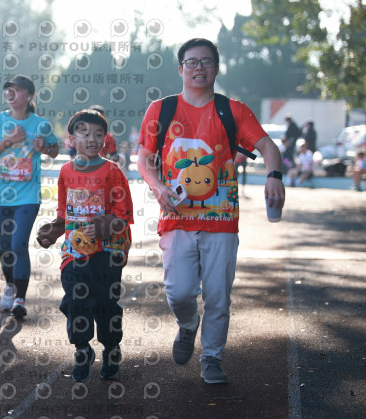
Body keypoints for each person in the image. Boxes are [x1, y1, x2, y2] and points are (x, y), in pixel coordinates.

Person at [136, 38, 285, 384]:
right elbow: (144, 159)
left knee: (218, 297)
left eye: (206, 62)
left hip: (222, 219)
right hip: (176, 217)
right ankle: (188, 325)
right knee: (179, 292)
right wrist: (157, 187)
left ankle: (212, 358)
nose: (199, 67)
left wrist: (274, 176)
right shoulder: (161, 110)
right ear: (181, 69)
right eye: (192, 62)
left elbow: (268, 147)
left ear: (216, 69)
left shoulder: (233, 110)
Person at [36, 109, 134, 382]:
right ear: (71, 139)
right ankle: (82, 349)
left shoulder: (112, 171)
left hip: (107, 253)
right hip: (74, 251)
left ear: (105, 139)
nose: (92, 139)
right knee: (75, 300)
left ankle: (111, 348)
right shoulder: (66, 171)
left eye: (98, 134)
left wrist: (104, 226)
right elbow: (64, 211)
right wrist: (53, 232)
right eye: (85, 133)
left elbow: (124, 213)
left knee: (105, 304)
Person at [0, 75, 59, 318]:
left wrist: (44, 147)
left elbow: (55, 151)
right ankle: (10, 286)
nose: (11, 93)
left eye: (17, 90)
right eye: (8, 90)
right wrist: (8, 141)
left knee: (18, 245)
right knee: (5, 247)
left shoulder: (41, 124)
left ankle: (20, 300)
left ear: (29, 95)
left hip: (27, 197)